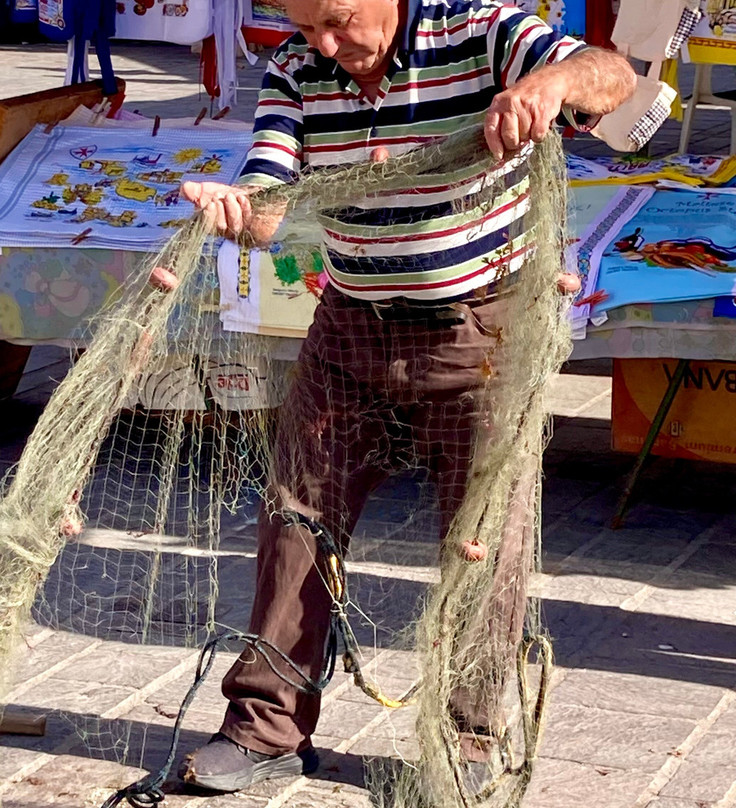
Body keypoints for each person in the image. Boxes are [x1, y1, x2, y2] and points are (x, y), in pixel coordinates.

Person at [176, 0, 636, 793]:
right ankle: (265, 729)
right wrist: (239, 210)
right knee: (296, 519)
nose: (325, 44)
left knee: (483, 545)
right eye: (305, 25)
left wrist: (552, 83)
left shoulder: (482, 31)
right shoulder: (296, 67)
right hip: (350, 329)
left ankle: (470, 738)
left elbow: (616, 75)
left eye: (338, 19)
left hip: (483, 332)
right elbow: (272, 190)